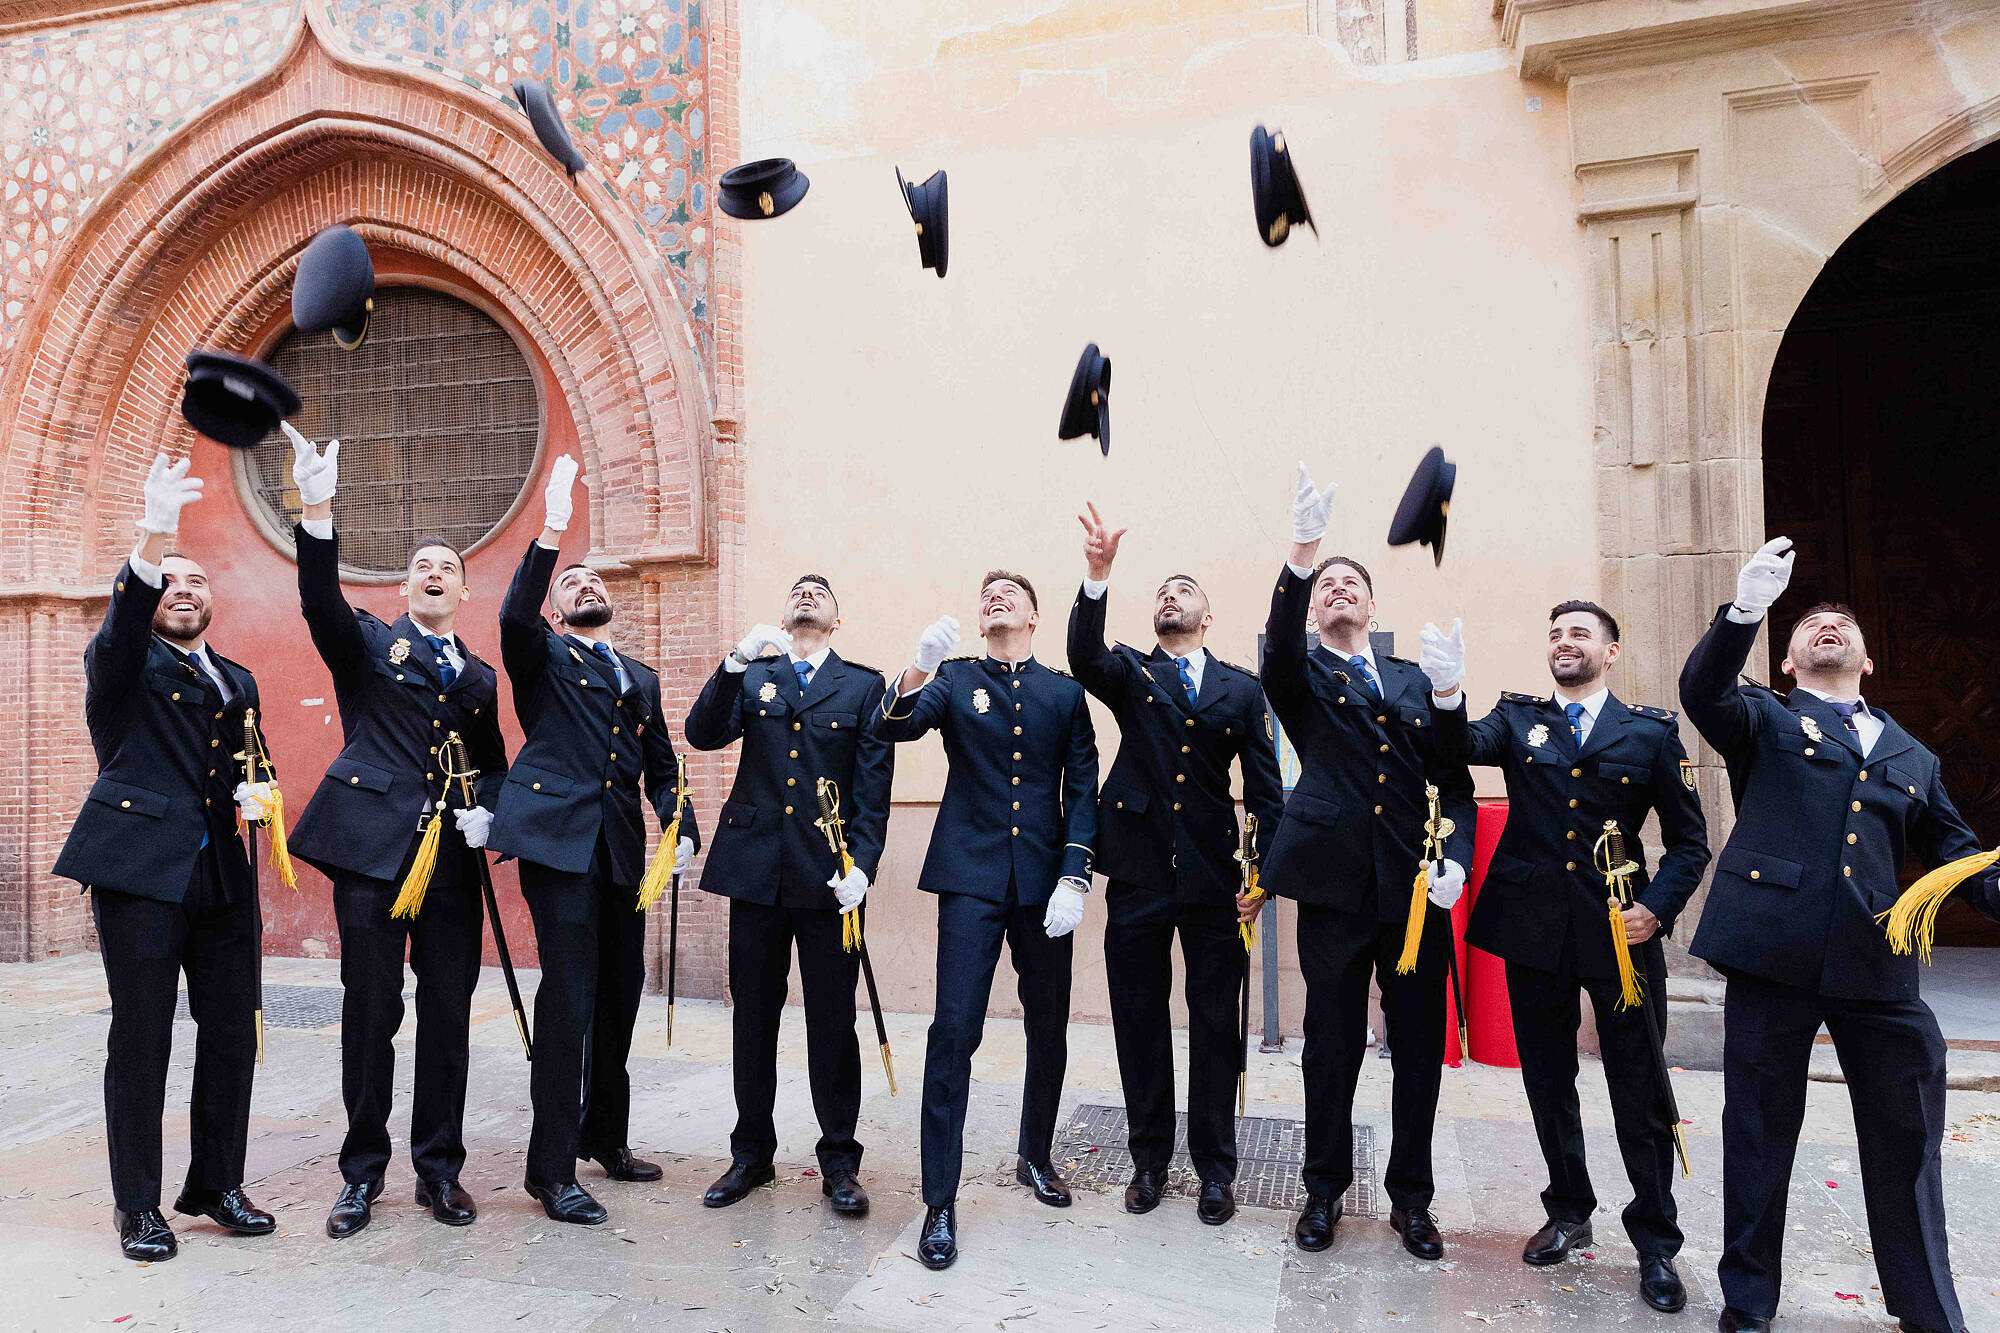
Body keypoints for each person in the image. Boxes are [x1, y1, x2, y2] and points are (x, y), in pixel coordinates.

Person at [1680, 538, 2000, 1333]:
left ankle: (1927, 1307)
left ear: (1866, 661)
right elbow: (1703, 691)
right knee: (1757, 1135)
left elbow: (1957, 854)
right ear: (1786, 662)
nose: (1829, 625)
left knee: (1907, 1139)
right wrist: (1744, 610)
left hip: (1878, 966)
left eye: (1842, 623)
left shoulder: (1911, 755)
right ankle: (1749, 1303)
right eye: (1811, 624)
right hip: (1772, 956)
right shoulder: (1764, 716)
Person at [1425, 601, 1708, 1312]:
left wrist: (1658, 907)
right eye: (1555, 633)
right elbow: (1457, 748)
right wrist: (1449, 693)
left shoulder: (1649, 731)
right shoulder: (1517, 719)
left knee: (1637, 1086)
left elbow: (1690, 840)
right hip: (1533, 928)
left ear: (1610, 651)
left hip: (1621, 931)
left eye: (1579, 633)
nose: (1564, 642)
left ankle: (1654, 1241)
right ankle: (1569, 1211)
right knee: (1550, 1082)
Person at [280, 425, 510, 1238]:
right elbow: (318, 603)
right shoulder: (372, 645)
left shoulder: (480, 677)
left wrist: (495, 811)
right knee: (370, 1011)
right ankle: (362, 1174)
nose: (435, 573)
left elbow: (495, 763)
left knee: (449, 1014)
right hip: (374, 855)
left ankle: (439, 1171)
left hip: (449, 866)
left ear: (465, 592)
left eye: (448, 567)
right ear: (407, 588)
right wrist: (317, 506)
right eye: (423, 566)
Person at [55, 454, 279, 1261]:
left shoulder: (239, 680)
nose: (185, 590)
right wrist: (152, 540)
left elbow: (256, 763)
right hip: (140, 871)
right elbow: (122, 626)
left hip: (222, 875)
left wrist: (264, 792)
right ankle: (138, 1206)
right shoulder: (123, 666)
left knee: (229, 1033)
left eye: (197, 581)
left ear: (213, 602)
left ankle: (217, 1183)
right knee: (142, 1036)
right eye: (171, 582)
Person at [1258, 463, 1474, 1260]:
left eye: (1353, 582)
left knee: (1417, 1047)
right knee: (1332, 1041)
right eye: (1329, 585)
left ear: (1374, 605)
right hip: (1334, 885)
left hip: (1414, 892)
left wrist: (1453, 852)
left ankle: (1411, 1200)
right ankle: (1322, 1190)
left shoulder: (1419, 678)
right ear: (1318, 604)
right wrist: (1303, 553)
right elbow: (1278, 648)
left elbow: (1453, 778)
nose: (1339, 589)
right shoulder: (1302, 674)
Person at [487, 455, 699, 1226]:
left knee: (619, 998)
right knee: (570, 999)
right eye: (571, 583)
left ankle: (604, 1136)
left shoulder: (638, 676)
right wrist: (549, 532)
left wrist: (678, 817)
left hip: (620, 854)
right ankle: (549, 1171)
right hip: (557, 846)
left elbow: (660, 762)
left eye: (593, 582)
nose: (586, 587)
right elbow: (513, 618)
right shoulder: (542, 654)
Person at [872, 570, 1098, 1270]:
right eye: (987, 592)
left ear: (1035, 612)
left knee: (1048, 1025)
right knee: (954, 1031)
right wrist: (919, 666)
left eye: (1010, 591)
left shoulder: (1064, 692)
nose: (995, 596)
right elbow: (896, 725)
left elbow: (1083, 782)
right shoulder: (955, 677)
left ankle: (1035, 1152)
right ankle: (940, 1199)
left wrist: (1075, 873)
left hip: (1043, 883)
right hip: (969, 877)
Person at [1067, 503, 1284, 1225]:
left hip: (1215, 877)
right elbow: (1084, 657)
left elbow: (1267, 789)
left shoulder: (1241, 688)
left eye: (1184, 590)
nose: (1170, 596)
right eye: (1162, 589)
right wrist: (1098, 576)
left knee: (1215, 1021)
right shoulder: (1130, 671)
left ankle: (1216, 1168)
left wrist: (1265, 874)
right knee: (1138, 1017)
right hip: (1136, 872)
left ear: (1207, 615)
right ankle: (1150, 1158)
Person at [684, 574, 894, 1216]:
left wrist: (862, 865)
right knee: (753, 1018)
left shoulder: (864, 686)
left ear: (838, 618)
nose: (806, 595)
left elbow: (872, 788)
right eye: (797, 589)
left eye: (820, 592)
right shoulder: (754, 675)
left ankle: (839, 1161)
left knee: (833, 1021)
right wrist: (730, 663)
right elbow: (702, 734)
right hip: (755, 872)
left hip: (828, 878)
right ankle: (751, 1154)